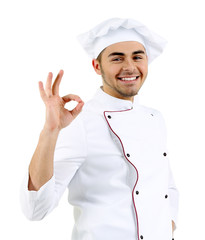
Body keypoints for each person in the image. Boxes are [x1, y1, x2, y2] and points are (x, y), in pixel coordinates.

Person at [20, 18, 179, 240]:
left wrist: (168, 226)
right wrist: (50, 130)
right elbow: (36, 209)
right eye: (117, 58)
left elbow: (166, 186)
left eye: (137, 56)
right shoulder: (81, 122)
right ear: (97, 66)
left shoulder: (155, 118)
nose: (130, 67)